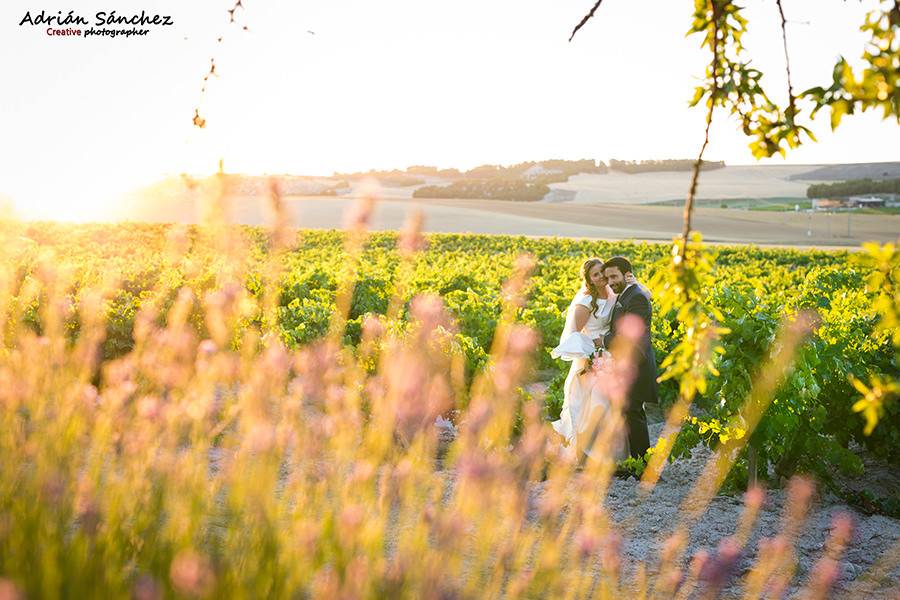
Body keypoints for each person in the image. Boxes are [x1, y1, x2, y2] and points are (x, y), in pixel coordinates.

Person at [549, 258, 629, 461]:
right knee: (594, 404)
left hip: (611, 352)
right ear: (590, 280)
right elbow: (575, 336)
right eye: (596, 275)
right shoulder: (585, 303)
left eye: (602, 272)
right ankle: (588, 453)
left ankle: (611, 451)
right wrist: (592, 359)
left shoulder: (613, 293)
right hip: (593, 358)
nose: (601, 276)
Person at [599, 255, 655, 459]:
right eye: (608, 278)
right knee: (630, 413)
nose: (611, 282)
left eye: (614, 276)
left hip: (636, 365)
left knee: (634, 413)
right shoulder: (627, 295)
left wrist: (604, 341)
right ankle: (636, 462)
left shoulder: (636, 297)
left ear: (627, 274)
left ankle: (643, 465)